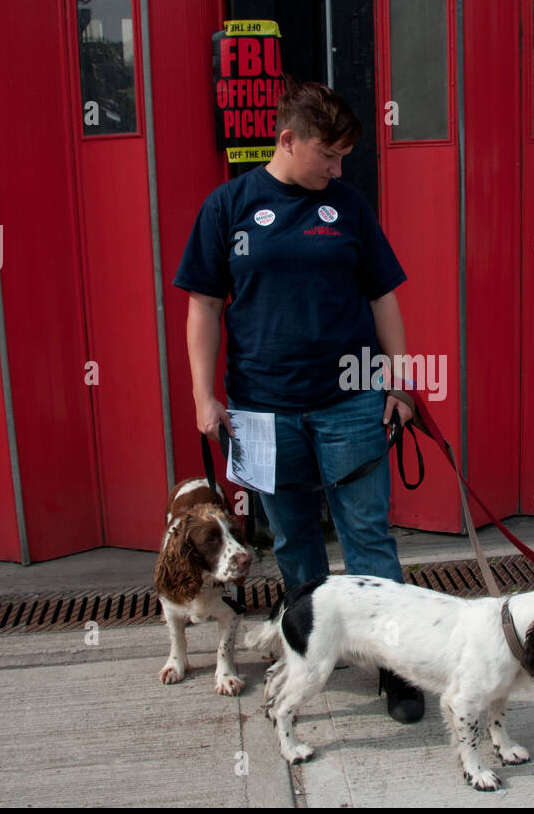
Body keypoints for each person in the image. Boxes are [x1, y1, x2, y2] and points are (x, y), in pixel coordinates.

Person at [173, 78, 424, 723]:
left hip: (350, 399)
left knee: (368, 538)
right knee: (292, 541)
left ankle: (395, 666)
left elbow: (383, 297)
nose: (338, 169)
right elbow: (202, 304)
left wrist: (400, 380)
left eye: (344, 158)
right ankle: (312, 652)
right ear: (287, 140)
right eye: (328, 156)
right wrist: (205, 395)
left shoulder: (348, 208)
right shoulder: (228, 206)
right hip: (262, 409)